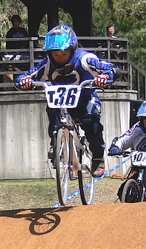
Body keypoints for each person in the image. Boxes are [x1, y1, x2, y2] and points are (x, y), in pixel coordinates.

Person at [15, 23, 116, 177]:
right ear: (50, 54)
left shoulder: (85, 59)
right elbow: (26, 75)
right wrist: (23, 81)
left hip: (85, 98)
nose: (60, 59)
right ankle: (55, 143)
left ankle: (97, 157)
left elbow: (110, 68)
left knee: (91, 124)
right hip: (61, 102)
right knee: (52, 108)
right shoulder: (47, 64)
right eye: (55, 55)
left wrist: (106, 76)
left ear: (72, 50)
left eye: (64, 54)